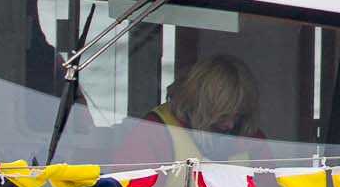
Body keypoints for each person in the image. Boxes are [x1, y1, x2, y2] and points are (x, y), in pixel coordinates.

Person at [112, 54, 266, 166]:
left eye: (238, 115)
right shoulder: (155, 131)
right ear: (199, 105)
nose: (231, 125)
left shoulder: (252, 140)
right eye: (223, 115)